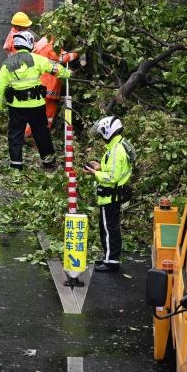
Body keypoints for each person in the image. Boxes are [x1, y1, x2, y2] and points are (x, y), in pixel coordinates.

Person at [0, 30, 70, 171]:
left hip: (16, 106)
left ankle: (16, 165)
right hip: (36, 105)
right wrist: (68, 74)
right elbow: (55, 68)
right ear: (29, 44)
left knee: (15, 134)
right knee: (42, 133)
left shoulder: (8, 64)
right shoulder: (37, 59)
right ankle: (48, 162)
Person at [82, 115, 134, 273]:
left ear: (107, 131)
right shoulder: (118, 145)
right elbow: (114, 169)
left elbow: (112, 177)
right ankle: (109, 257)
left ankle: (111, 261)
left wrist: (94, 173)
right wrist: (100, 167)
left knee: (109, 228)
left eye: (101, 134)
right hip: (113, 195)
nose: (101, 137)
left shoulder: (116, 150)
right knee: (109, 227)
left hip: (110, 196)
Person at [33, 33, 79, 128]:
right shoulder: (50, 46)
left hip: (39, 84)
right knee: (47, 114)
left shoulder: (39, 45)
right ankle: (40, 133)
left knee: (37, 114)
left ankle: (31, 133)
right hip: (49, 85)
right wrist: (78, 52)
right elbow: (64, 57)